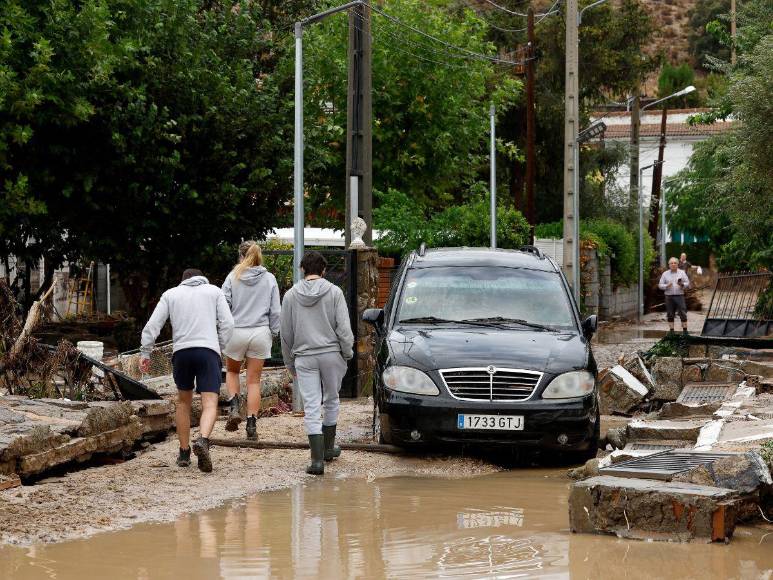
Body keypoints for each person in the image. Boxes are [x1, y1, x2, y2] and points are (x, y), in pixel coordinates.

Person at [140, 269, 233, 472]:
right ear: (202, 279)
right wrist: (222, 348)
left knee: (183, 402)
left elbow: (153, 325)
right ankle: (203, 440)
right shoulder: (214, 292)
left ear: (182, 281)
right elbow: (228, 324)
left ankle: (184, 452)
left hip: (181, 353)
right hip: (208, 351)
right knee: (209, 402)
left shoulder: (170, 294)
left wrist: (145, 352)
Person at [280, 251, 353, 475]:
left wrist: (289, 362)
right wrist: (347, 352)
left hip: (304, 356)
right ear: (323, 270)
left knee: (311, 405)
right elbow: (343, 328)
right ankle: (329, 449)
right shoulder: (335, 292)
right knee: (332, 399)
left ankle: (316, 461)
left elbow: (286, 333)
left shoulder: (291, 296)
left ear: (302, 269)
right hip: (332, 354)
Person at [221, 241, 281, 440]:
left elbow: (223, 307)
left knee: (232, 371)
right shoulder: (270, 278)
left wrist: (223, 331)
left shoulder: (232, 277)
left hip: (236, 331)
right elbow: (276, 311)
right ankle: (252, 425)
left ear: (240, 256)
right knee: (254, 381)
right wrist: (273, 332)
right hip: (260, 332)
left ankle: (234, 403)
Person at [658, 257, 690, 334]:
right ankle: (671, 331)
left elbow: (687, 282)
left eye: (675, 263)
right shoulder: (665, 274)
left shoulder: (682, 272)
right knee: (670, 313)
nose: (673, 264)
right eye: (671, 263)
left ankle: (685, 331)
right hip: (669, 296)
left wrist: (682, 284)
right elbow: (660, 285)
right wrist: (666, 286)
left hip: (680, 295)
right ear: (669, 265)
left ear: (677, 264)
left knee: (682, 312)